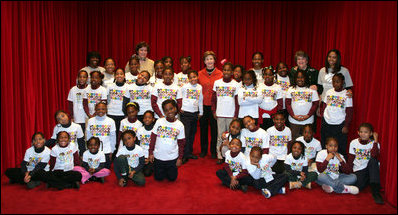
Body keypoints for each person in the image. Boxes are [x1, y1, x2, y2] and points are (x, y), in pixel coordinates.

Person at [148, 99, 185, 181]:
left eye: (171, 108)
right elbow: (153, 138)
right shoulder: (159, 121)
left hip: (172, 158)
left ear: (175, 108)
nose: (169, 112)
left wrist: (180, 158)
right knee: (159, 178)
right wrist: (151, 152)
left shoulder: (180, 125)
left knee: (172, 178)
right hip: (158, 157)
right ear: (164, 112)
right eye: (166, 110)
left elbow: (181, 143)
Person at [347, 123, 383, 204]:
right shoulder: (353, 143)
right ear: (358, 132)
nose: (363, 134)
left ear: (370, 133)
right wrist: (349, 172)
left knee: (373, 160)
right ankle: (368, 181)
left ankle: (376, 192)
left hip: (370, 167)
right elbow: (351, 158)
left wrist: (376, 141)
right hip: (359, 169)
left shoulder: (374, 143)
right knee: (358, 187)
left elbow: (374, 155)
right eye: (361, 132)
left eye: (366, 132)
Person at [212, 62, 240, 164]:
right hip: (220, 113)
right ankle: (219, 155)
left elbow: (237, 101)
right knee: (220, 136)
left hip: (231, 115)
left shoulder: (236, 84)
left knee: (231, 136)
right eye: (225, 70)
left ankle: (230, 156)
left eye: (229, 70)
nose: (226, 72)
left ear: (232, 72)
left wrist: (236, 115)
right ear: (222, 71)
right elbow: (213, 99)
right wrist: (214, 111)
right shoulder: (217, 82)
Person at [320, 73, 353, 156]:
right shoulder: (329, 92)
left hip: (339, 124)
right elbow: (324, 105)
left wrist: (346, 125)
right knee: (326, 144)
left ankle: (340, 167)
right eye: (334, 82)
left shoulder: (347, 94)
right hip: (327, 123)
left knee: (340, 146)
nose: (335, 84)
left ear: (343, 82)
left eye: (338, 82)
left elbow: (349, 111)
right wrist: (323, 117)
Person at [198, 51, 223, 159]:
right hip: (203, 105)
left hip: (215, 106)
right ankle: (203, 150)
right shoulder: (199, 74)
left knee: (214, 130)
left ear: (214, 60)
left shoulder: (220, 74)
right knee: (203, 129)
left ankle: (213, 151)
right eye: (207, 59)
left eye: (211, 59)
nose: (209, 61)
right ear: (204, 61)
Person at [286, 70, 319, 140]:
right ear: (295, 78)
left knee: (307, 140)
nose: (300, 79)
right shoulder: (290, 89)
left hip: (308, 121)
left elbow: (315, 104)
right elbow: (288, 104)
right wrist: (293, 116)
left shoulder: (312, 90)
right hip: (294, 121)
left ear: (306, 78)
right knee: (295, 140)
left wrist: (308, 116)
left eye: (302, 77)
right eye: (298, 77)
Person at [179, 70, 203, 164]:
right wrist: (179, 107)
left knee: (192, 134)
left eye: (194, 77)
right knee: (186, 134)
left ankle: (189, 152)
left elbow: (200, 99)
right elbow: (179, 97)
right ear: (188, 79)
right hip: (185, 113)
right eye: (191, 77)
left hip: (194, 113)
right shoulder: (184, 87)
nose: (193, 79)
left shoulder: (199, 87)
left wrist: (201, 112)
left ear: (197, 77)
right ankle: (184, 154)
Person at [86, 102, 116, 169]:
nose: (100, 111)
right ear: (95, 110)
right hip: (93, 150)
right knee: (93, 168)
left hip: (106, 150)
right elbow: (88, 136)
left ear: (106, 110)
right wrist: (88, 148)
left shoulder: (111, 121)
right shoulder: (90, 121)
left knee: (105, 170)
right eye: (98, 109)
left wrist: (112, 151)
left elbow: (113, 138)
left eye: (103, 109)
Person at [258, 66, 283, 130]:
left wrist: (277, 116)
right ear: (263, 76)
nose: (267, 76)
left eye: (270, 75)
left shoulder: (278, 87)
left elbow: (280, 103)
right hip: (261, 115)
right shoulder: (259, 86)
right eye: (266, 74)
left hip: (273, 115)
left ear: (273, 76)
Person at [106, 68, 127, 135]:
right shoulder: (110, 86)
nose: (119, 76)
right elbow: (105, 99)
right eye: (117, 74)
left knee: (120, 134)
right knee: (111, 133)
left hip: (122, 114)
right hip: (111, 113)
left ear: (124, 76)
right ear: (114, 76)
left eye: (121, 74)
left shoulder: (128, 87)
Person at [136, 110, 156, 177]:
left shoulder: (155, 130)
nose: (147, 119)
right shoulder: (140, 130)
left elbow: (157, 146)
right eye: (145, 117)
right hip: (142, 155)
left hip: (151, 156)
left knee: (147, 173)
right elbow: (138, 145)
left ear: (153, 119)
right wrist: (142, 157)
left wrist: (149, 158)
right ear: (143, 119)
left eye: (149, 117)